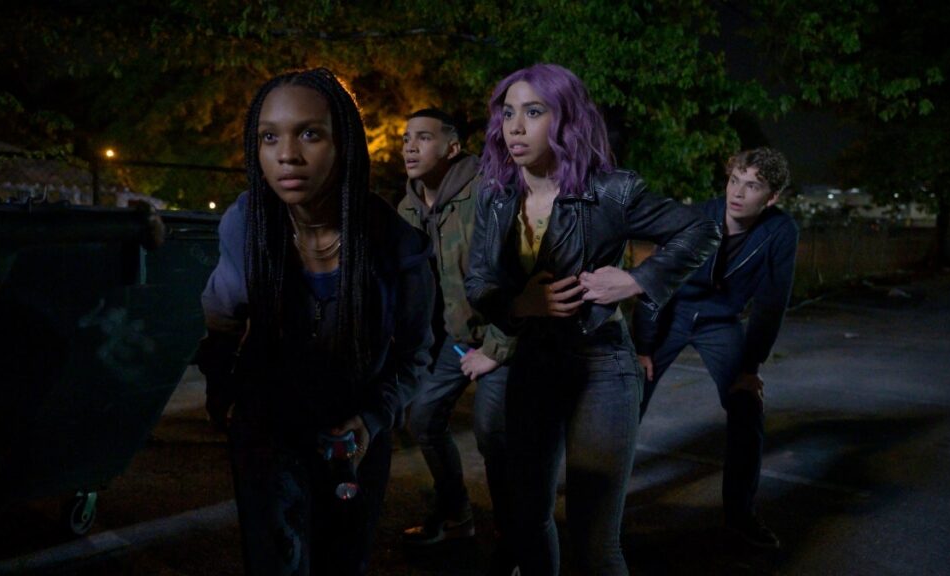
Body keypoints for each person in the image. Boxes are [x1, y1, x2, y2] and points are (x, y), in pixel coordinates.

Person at [465, 63, 720, 576]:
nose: (515, 127)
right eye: (508, 113)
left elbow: (701, 230)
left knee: (594, 543)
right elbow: (479, 282)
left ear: (566, 119)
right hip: (530, 365)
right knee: (526, 521)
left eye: (533, 112)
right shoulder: (494, 195)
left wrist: (636, 280)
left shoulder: (611, 190)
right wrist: (520, 305)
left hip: (602, 365)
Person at [197, 68, 435, 575]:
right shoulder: (246, 225)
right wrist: (226, 397)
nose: (287, 154)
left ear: (344, 143)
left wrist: (373, 417)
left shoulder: (397, 245)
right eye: (269, 137)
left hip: (352, 437)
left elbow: (417, 351)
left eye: (309, 134)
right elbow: (219, 321)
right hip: (268, 431)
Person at [633, 147, 798, 550]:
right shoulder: (695, 217)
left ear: (772, 197)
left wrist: (750, 367)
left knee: (746, 407)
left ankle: (740, 516)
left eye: (752, 186)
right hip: (673, 312)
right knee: (626, 398)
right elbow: (655, 281)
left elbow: (772, 300)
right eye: (734, 180)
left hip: (721, 321)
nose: (737, 193)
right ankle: (595, 498)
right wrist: (642, 346)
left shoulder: (780, 231)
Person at [396, 108, 516, 571]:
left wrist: (497, 348)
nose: (410, 146)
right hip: (456, 337)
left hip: (503, 336)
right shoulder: (407, 208)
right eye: (406, 138)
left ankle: (513, 537)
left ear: (452, 147)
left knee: (493, 436)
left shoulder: (488, 192)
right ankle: (456, 515)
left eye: (423, 137)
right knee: (424, 418)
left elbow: (518, 274)